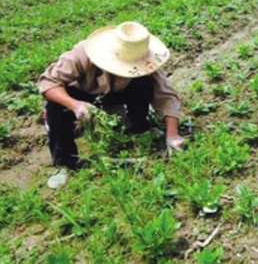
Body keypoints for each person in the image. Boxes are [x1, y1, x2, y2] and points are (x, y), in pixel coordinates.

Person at [38, 22, 185, 188]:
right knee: (55, 106)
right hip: (81, 94)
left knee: (145, 85)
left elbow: (166, 96)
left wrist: (172, 134)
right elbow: (48, 82)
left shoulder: (145, 61)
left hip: (117, 94)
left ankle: (137, 128)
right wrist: (75, 105)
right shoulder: (81, 55)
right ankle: (64, 163)